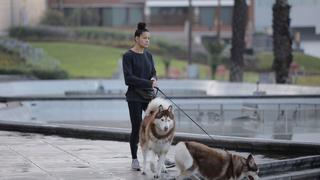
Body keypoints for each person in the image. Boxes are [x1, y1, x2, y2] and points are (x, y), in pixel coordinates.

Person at [122, 22, 175, 171]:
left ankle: (161, 158)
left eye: (149, 38)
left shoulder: (149, 55)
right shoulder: (128, 56)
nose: (147, 41)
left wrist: (153, 78)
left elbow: (153, 72)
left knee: (156, 125)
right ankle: (134, 159)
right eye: (145, 38)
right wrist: (148, 82)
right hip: (134, 97)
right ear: (136, 38)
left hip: (148, 97)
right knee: (137, 127)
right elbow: (128, 79)